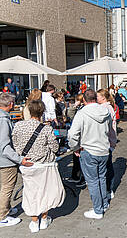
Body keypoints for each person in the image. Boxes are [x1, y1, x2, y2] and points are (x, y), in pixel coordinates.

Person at [12, 100, 65, 233]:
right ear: (42, 112)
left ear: (29, 111)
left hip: (27, 164)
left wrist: (21, 157)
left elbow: (15, 144)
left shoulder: (18, 126)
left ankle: (34, 221)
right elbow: (54, 147)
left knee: (31, 193)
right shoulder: (46, 128)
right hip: (45, 165)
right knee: (45, 192)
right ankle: (44, 218)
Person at [68, 90, 116, 219]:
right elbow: (111, 130)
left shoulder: (82, 113)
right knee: (101, 178)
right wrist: (112, 145)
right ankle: (103, 204)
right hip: (103, 150)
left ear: (84, 100)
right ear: (95, 98)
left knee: (94, 181)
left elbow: (72, 134)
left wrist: (75, 148)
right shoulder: (105, 111)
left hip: (89, 150)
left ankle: (98, 210)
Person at [0, 93, 33, 227]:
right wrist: (20, 160)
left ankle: (5, 209)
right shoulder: (3, 119)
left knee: (4, 187)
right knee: (7, 188)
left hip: (3, 159)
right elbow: (4, 146)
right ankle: (2, 216)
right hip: (5, 160)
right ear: (11, 104)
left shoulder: (3, 117)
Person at [97, 89, 117, 199]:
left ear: (103, 98)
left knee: (108, 167)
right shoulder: (105, 107)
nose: (96, 98)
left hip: (107, 142)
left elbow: (108, 127)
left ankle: (109, 189)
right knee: (106, 166)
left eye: (98, 96)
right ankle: (107, 188)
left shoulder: (106, 108)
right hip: (107, 141)